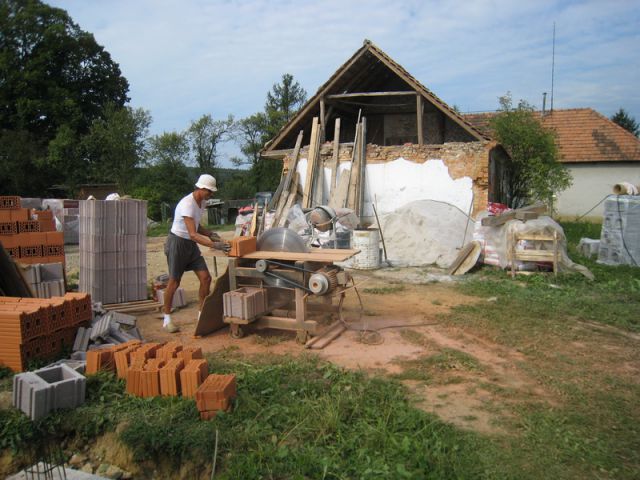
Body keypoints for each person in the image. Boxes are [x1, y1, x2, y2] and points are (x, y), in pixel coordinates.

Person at [162, 174, 230, 333]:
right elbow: (192, 233)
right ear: (201, 188)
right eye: (209, 191)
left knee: (206, 278)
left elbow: (197, 227)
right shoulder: (187, 204)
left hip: (190, 245)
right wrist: (216, 245)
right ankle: (167, 319)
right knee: (174, 282)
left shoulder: (202, 203)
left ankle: (202, 314)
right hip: (177, 243)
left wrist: (210, 233)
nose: (211, 195)